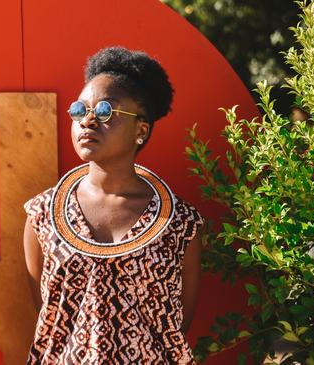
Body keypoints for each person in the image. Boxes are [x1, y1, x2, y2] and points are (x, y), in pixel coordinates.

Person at [22, 46, 204, 364]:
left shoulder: (179, 224)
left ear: (141, 129)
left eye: (106, 111)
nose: (89, 121)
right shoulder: (43, 215)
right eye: (80, 109)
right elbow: (45, 310)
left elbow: (179, 321)